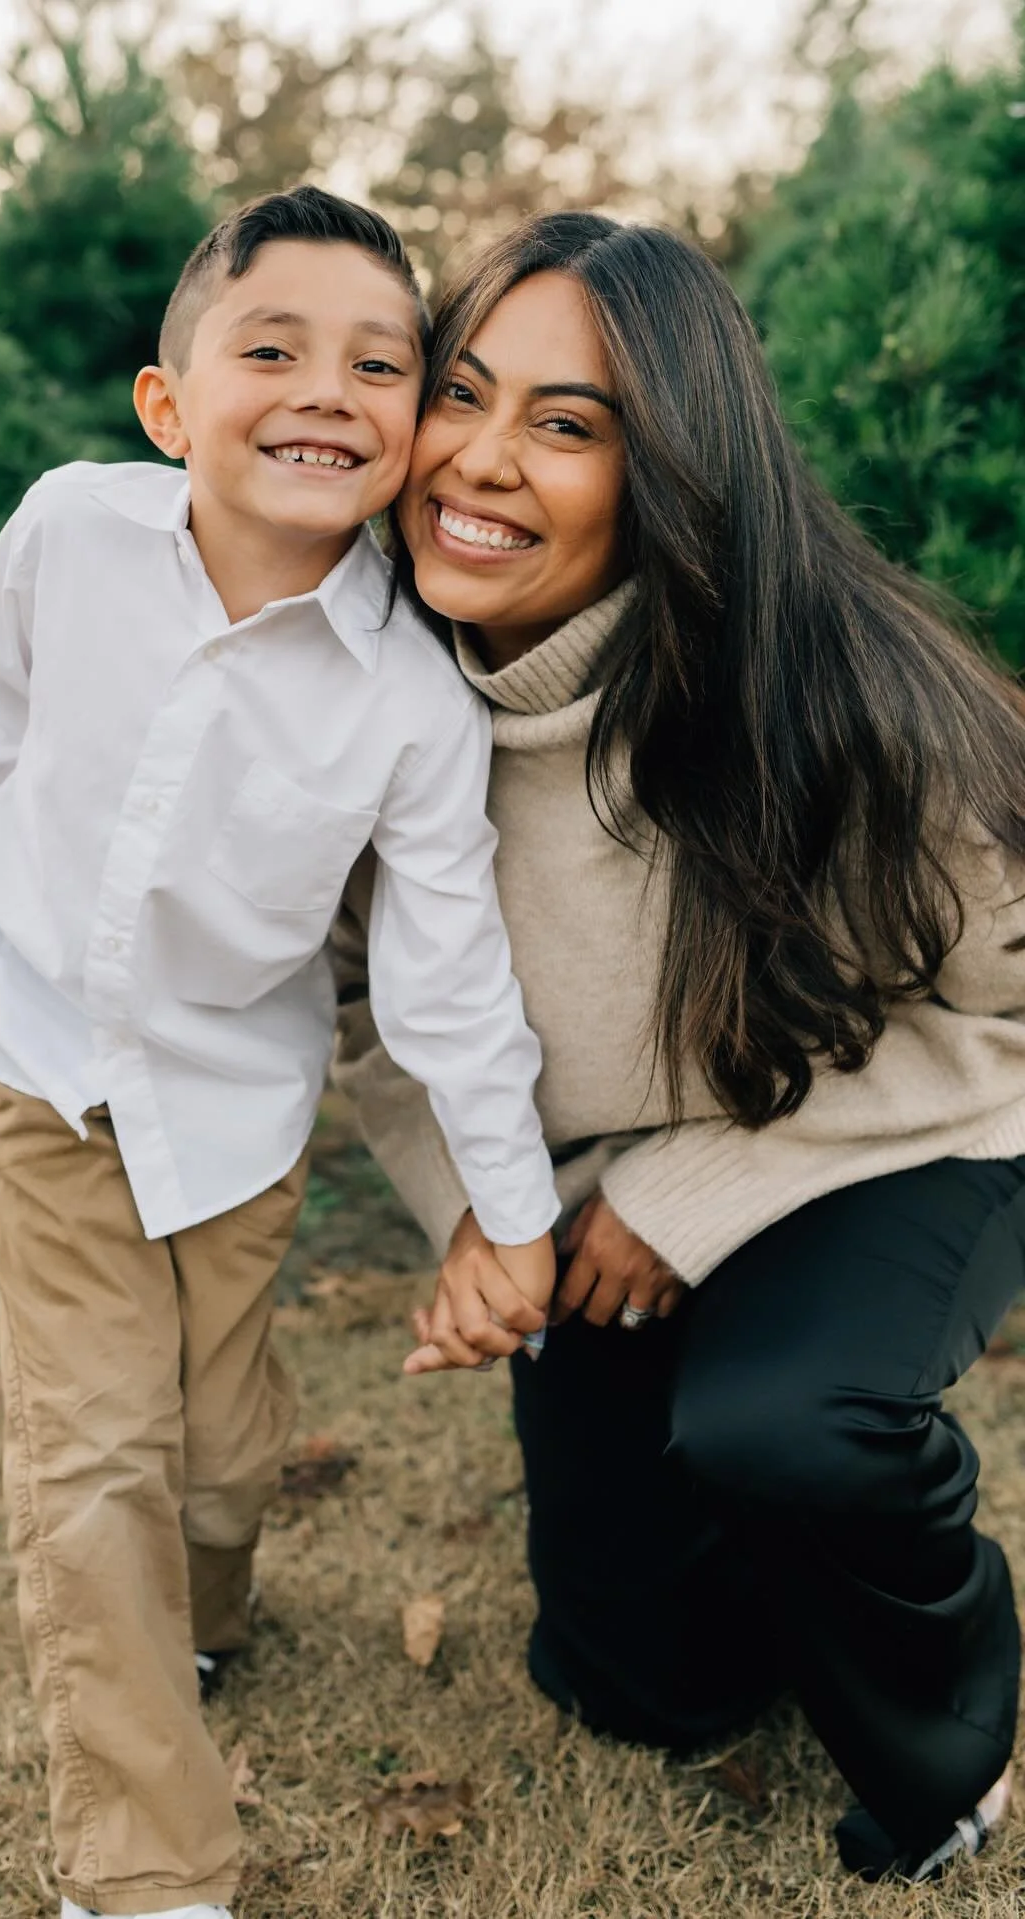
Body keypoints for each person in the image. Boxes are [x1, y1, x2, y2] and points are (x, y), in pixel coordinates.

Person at [0, 185, 559, 1919]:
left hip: (234, 1105)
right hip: (27, 1046)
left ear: (410, 427)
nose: (328, 389)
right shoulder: (73, 530)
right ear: (171, 406)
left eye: (379, 364)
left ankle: (212, 1602)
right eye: (272, 349)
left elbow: (447, 964)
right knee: (93, 1450)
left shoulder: (412, 697)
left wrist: (511, 1205)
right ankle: (148, 1865)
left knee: (218, 1446)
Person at [333, 209, 1025, 1885]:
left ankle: (951, 1731)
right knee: (641, 1682)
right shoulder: (353, 691)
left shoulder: (837, 695)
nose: (482, 464)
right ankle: (776, 1541)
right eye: (465, 394)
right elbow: (362, 1006)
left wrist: (688, 1191)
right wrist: (487, 1218)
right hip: (597, 1195)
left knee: (783, 1420)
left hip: (902, 1134)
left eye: (567, 427)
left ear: (670, 472)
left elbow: (1007, 1012)